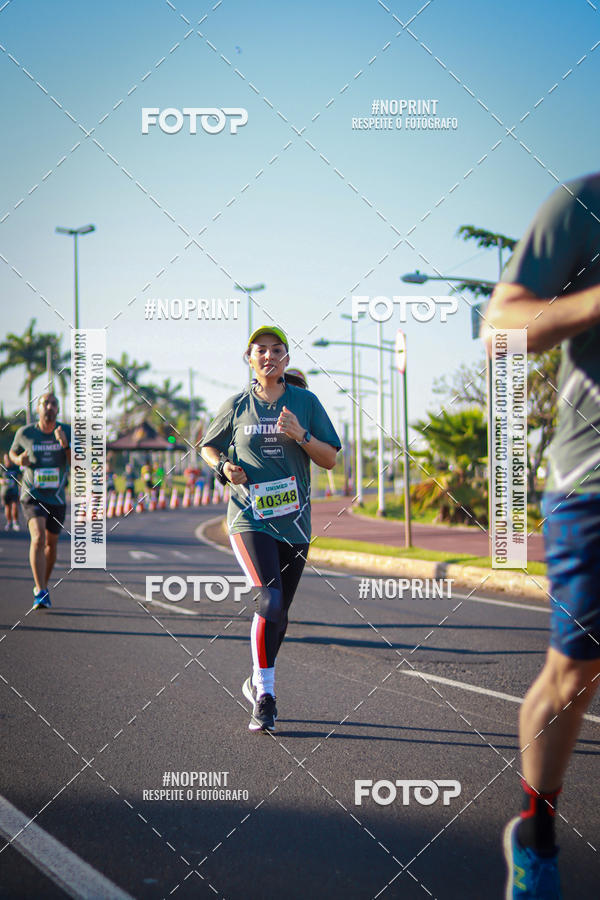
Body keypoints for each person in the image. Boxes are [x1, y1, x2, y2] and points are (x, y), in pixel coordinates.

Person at [484, 172, 600, 898]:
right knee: (577, 675)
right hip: (594, 482)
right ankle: (535, 829)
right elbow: (503, 326)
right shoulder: (583, 204)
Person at [200, 326, 340, 732]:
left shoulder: (306, 402)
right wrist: (223, 467)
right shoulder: (237, 405)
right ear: (249, 359)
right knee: (270, 600)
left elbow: (329, 459)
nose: (268, 356)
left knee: (280, 615)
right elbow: (208, 446)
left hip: (295, 523)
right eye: (260, 350)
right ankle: (265, 695)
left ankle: (255, 678)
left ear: (286, 360)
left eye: (276, 350)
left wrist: (302, 434)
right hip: (249, 518)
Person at [9, 392, 71, 609]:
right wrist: (19, 460)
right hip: (32, 495)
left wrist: (65, 445)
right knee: (38, 537)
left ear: (58, 409)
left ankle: (42, 585)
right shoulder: (25, 433)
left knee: (51, 545)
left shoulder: (67, 431)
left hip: (57, 497)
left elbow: (78, 463)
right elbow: (12, 454)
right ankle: (42, 591)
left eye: (54, 404)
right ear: (38, 408)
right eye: (46, 403)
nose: (50, 407)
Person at [1, 452, 21, 530]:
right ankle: (9, 522)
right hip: (5, 491)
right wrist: (2, 481)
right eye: (6, 459)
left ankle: (15, 522)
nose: (7, 461)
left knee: (15, 506)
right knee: (7, 507)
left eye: (8, 459)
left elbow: (20, 478)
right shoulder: (2, 468)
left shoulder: (15, 468)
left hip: (14, 491)